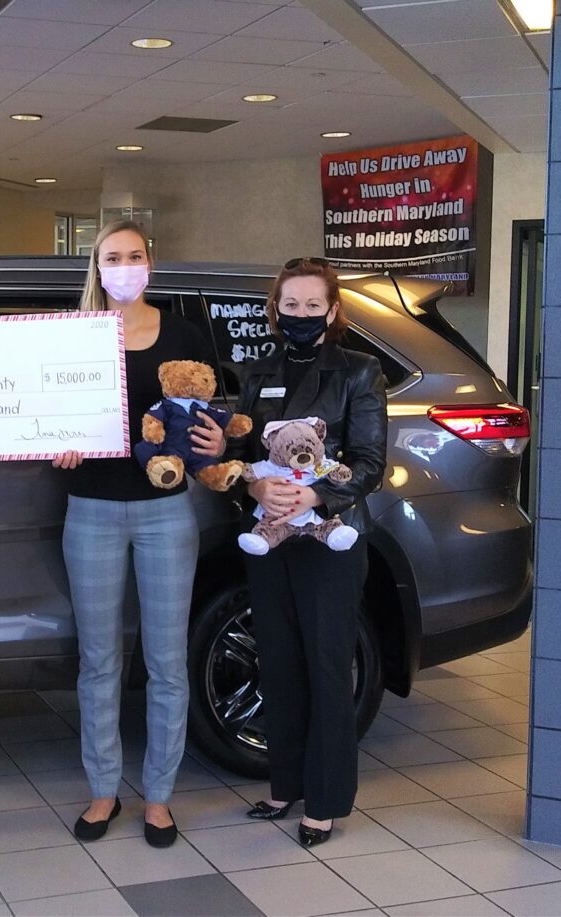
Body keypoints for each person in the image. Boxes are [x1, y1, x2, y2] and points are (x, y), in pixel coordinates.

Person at [53, 220, 225, 848]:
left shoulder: (182, 333)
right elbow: (50, 410)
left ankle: (159, 797)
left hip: (164, 513)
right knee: (98, 661)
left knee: (167, 661)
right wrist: (56, 445)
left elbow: (208, 414)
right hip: (90, 508)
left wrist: (213, 440)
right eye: (111, 257)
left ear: (150, 262)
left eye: (134, 255)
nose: (124, 266)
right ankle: (104, 790)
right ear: (95, 267)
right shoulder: (75, 335)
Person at [237, 256, 386, 847]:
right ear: (275, 309)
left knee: (327, 666)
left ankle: (323, 800)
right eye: (290, 305)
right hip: (269, 536)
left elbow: (372, 463)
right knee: (275, 661)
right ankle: (284, 784)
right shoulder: (256, 370)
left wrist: (313, 494)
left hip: (331, 535)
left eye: (311, 305)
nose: (300, 315)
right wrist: (253, 486)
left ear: (332, 310)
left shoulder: (358, 370)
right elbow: (243, 452)